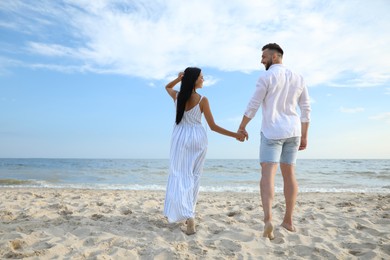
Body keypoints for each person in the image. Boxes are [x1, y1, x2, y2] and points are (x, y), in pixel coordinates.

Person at [237, 43, 311, 240]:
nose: (262, 60)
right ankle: (288, 220)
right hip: (293, 131)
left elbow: (253, 104)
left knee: (268, 174)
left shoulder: (266, 77)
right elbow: (305, 108)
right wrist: (304, 135)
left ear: (275, 57)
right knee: (289, 174)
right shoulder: (299, 77)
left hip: (272, 132)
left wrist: (242, 126)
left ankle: (268, 218)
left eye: (264, 56)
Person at [164, 67, 245, 235]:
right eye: (201, 77)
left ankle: (188, 214)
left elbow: (167, 87)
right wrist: (235, 135)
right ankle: (189, 215)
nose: (203, 80)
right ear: (194, 80)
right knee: (194, 177)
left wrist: (179, 79)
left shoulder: (178, 97)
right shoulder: (202, 100)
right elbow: (213, 127)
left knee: (180, 175)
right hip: (198, 138)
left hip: (180, 138)